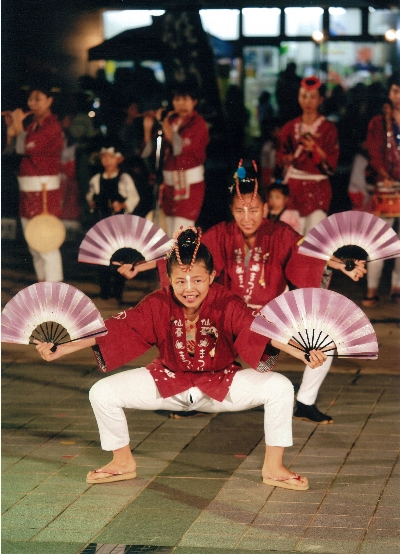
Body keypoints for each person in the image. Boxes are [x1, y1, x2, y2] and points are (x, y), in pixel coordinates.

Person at [35, 227, 327, 489]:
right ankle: (122, 462)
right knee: (102, 392)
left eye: (198, 279)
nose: (190, 289)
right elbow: (115, 330)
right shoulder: (158, 302)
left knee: (280, 387)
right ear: (169, 279)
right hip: (168, 381)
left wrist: (302, 352)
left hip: (221, 384)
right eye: (181, 281)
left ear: (212, 277)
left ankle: (273, 467)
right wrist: (62, 347)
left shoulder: (227, 302)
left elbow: (262, 330)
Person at [118, 164, 366, 424]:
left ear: (266, 209)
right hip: (229, 315)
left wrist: (343, 265)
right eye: (239, 210)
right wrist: (139, 266)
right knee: (188, 332)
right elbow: (185, 255)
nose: (247, 217)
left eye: (254, 210)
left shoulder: (279, 233)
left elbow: (309, 253)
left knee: (325, 337)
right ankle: (192, 399)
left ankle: (305, 402)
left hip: (270, 314)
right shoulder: (221, 234)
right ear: (232, 211)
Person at [3, 80, 64, 282]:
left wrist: (17, 127)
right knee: (33, 244)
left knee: (46, 243)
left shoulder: (53, 127)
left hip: (44, 192)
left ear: (50, 101)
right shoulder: (32, 125)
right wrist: (13, 128)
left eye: (38, 99)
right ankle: (43, 286)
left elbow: (27, 148)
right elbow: (12, 150)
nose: (32, 103)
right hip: (28, 191)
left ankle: (54, 290)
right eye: (30, 99)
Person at [141, 82, 209, 238]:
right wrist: (147, 129)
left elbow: (178, 147)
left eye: (186, 100)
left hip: (189, 186)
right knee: (166, 232)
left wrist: (163, 123)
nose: (181, 104)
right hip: (169, 186)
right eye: (177, 100)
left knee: (182, 231)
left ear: (194, 102)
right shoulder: (172, 121)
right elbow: (149, 153)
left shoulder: (198, 124)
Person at [277, 76, 339, 236]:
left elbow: (332, 162)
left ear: (320, 100)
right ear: (298, 98)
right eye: (303, 96)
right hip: (294, 189)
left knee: (314, 238)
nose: (308, 101)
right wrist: (286, 159)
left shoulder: (328, 129)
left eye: (312, 97)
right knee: (291, 236)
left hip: (318, 189)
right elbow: (281, 154)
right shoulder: (290, 127)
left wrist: (316, 149)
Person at [361, 73, 400, 307]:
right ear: (389, 93)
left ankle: (397, 287)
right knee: (379, 240)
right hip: (387, 188)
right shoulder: (378, 122)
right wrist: (383, 175)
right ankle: (371, 289)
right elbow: (374, 153)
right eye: (396, 91)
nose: (399, 97)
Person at [86, 139, 140, 303]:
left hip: (119, 225)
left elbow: (134, 197)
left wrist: (123, 204)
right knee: (102, 257)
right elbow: (90, 196)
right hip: (101, 221)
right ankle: (104, 291)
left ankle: (117, 292)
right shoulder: (97, 179)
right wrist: (92, 203)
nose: (107, 161)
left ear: (119, 159)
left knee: (119, 257)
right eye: (104, 157)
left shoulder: (124, 178)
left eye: (110, 157)